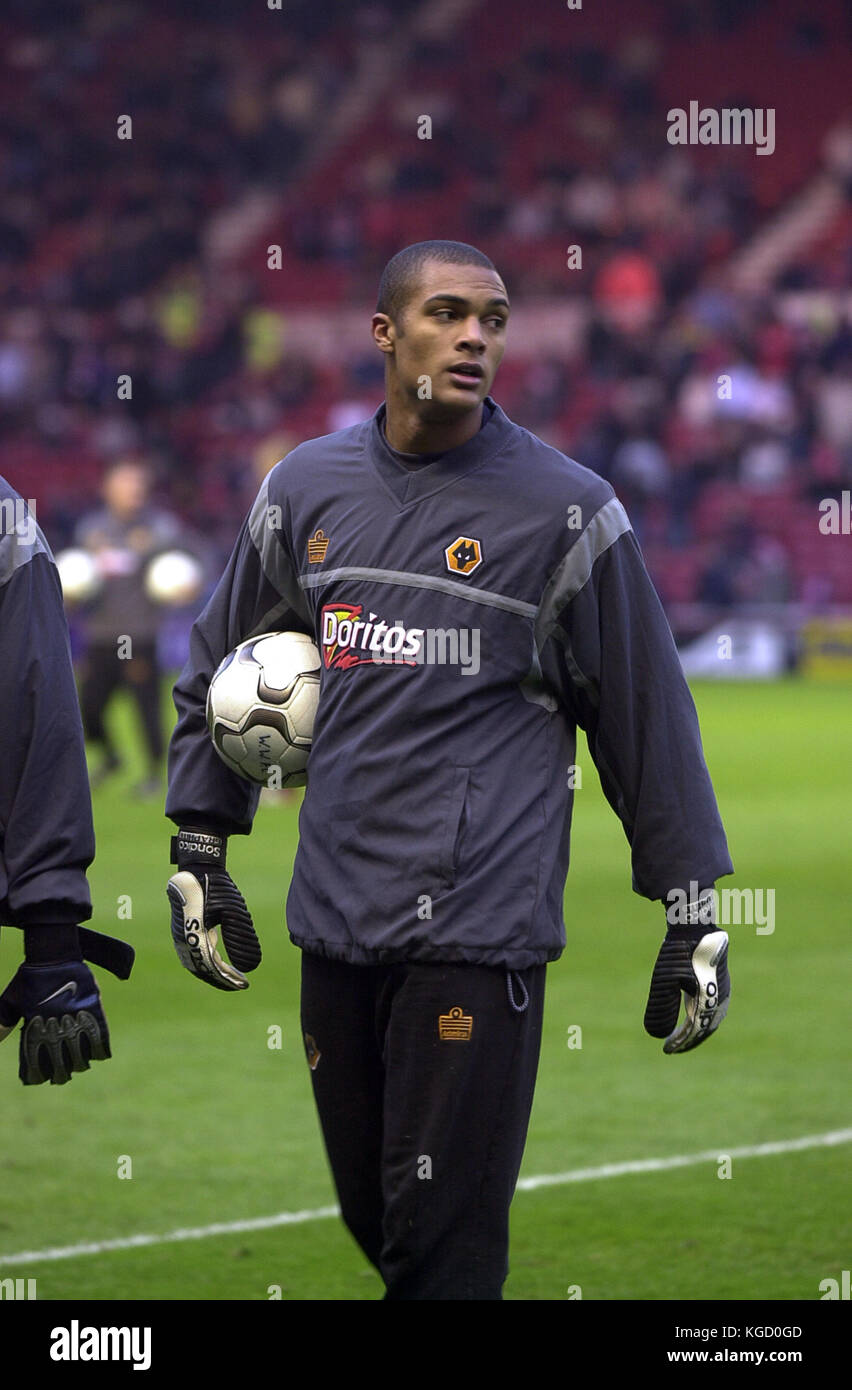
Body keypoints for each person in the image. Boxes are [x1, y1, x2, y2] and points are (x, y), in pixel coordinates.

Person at [165, 240, 733, 1300]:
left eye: (495, 318)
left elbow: (647, 719)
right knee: (378, 1222)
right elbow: (225, 667)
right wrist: (202, 841)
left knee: (443, 1252)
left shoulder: (569, 512)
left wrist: (692, 908)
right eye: (447, 312)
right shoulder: (305, 489)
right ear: (387, 334)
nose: (476, 335)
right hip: (334, 923)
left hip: (477, 935)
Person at [0, 479, 134, 1085]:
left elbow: (35, 714)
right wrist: (51, 936)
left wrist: (53, 937)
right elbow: (38, 713)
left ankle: (145, 769)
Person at [75, 458, 184, 797]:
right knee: (88, 708)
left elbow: (184, 564)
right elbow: (76, 574)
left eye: (139, 484)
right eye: (126, 484)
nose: (135, 491)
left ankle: (153, 776)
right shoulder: (91, 529)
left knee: (146, 708)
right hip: (102, 635)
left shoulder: (160, 528)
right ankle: (110, 757)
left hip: (140, 635)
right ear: (108, 489)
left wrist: (183, 583)